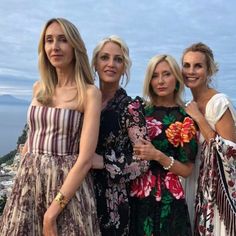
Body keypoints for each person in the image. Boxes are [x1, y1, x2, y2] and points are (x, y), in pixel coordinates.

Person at [0, 18, 101, 236]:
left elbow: (85, 159)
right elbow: (35, 133)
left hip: (66, 187)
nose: (54, 47)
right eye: (49, 40)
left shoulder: (89, 93)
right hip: (28, 185)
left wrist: (51, 213)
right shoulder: (38, 87)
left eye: (62, 40)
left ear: (75, 46)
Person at [129, 54, 198, 236]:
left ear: (176, 78)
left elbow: (186, 170)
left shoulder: (185, 119)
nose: (160, 81)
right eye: (154, 75)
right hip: (137, 193)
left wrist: (158, 155)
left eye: (166, 74)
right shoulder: (140, 112)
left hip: (168, 197)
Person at [90, 35, 149, 235]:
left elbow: (143, 160)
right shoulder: (84, 101)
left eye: (118, 59)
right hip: (80, 192)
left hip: (112, 202)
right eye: (104, 58)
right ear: (95, 64)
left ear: (124, 67)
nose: (111, 64)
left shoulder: (130, 108)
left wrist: (104, 162)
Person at [182, 42, 236, 236]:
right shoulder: (187, 106)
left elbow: (231, 154)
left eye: (198, 66)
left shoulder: (219, 103)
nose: (191, 71)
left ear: (209, 70)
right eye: (186, 65)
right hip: (193, 185)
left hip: (217, 195)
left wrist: (199, 118)